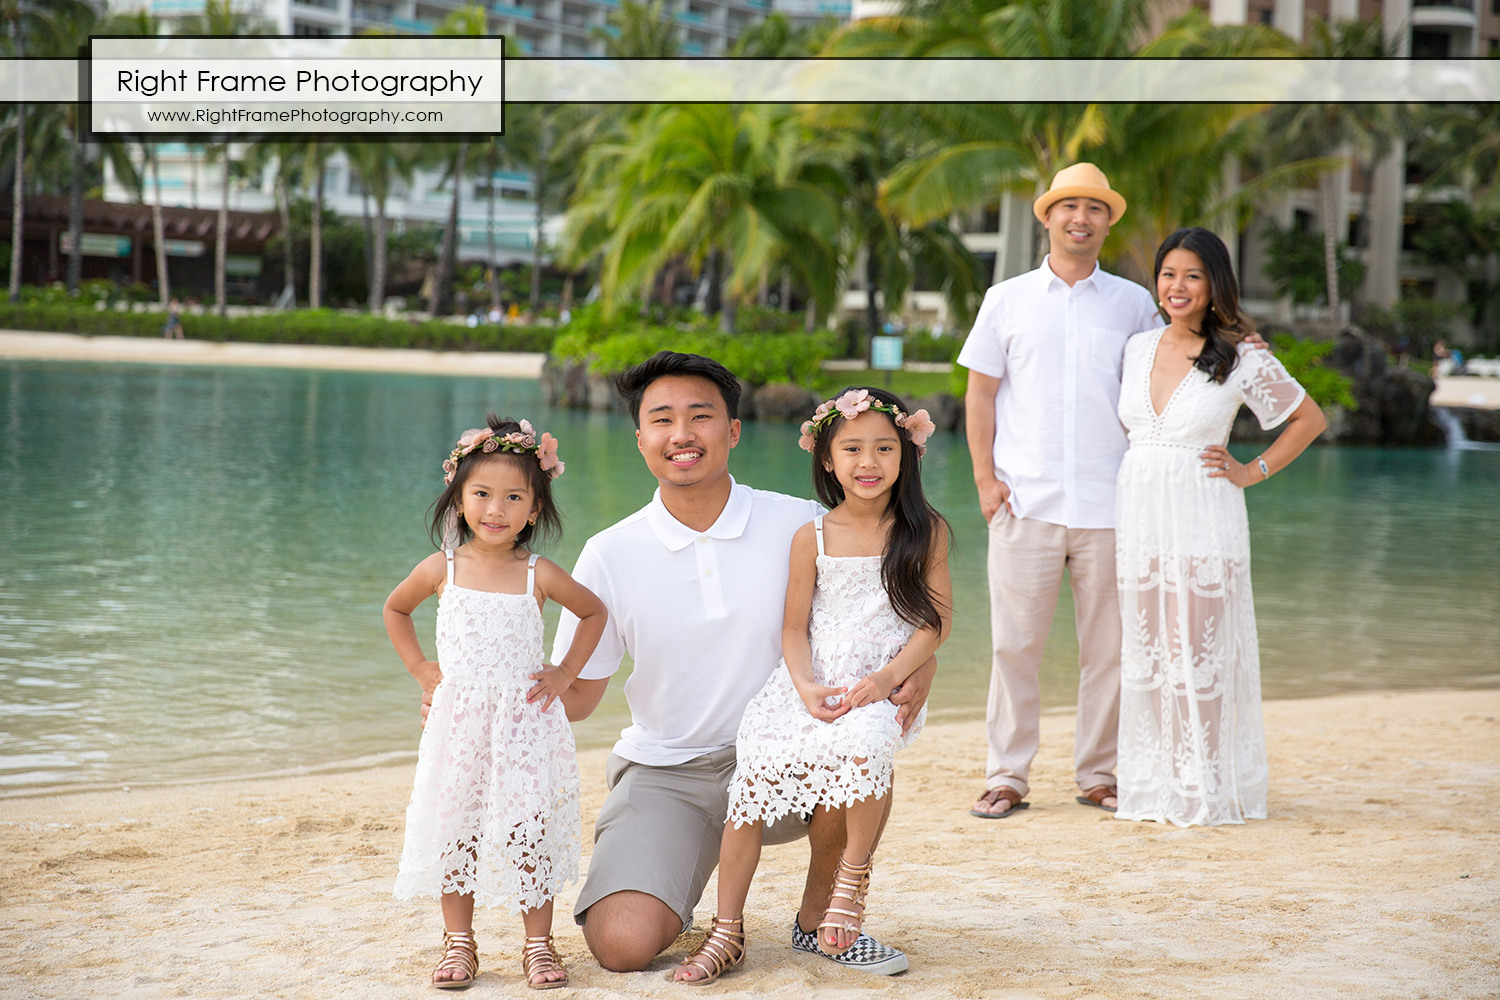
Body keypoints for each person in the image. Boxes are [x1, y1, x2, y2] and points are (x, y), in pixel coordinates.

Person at [549, 352, 933, 976]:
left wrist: (922, 667)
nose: (682, 435)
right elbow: (580, 697)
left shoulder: (804, 523)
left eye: (701, 416)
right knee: (621, 945)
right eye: (663, 419)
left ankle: (817, 921)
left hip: (793, 750)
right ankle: (684, 885)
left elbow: (892, 613)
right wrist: (484, 690)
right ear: (640, 436)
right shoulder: (608, 554)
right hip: (669, 769)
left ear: (732, 430)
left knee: (861, 738)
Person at [674, 388, 951, 984]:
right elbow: (792, 628)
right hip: (809, 681)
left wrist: (889, 677)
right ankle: (726, 930)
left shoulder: (924, 531)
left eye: (884, 448)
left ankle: (848, 885)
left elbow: (935, 622)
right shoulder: (813, 535)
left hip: (878, 681)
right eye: (851, 448)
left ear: (907, 455)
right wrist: (802, 686)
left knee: (868, 746)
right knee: (753, 776)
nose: (868, 462)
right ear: (828, 460)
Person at [958, 163, 1161, 819]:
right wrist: (986, 481)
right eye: (1069, 206)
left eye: (1094, 208)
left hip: (1114, 506)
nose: (1081, 218)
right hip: (1026, 502)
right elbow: (981, 393)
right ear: (1047, 217)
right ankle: (1007, 777)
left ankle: (1099, 774)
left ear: (1109, 221)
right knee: (1014, 647)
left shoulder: (1135, 303)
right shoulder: (1007, 298)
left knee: (1110, 652)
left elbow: (1160, 391)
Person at [384, 415, 607, 989]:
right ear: (458, 499)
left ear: (534, 509)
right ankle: (460, 944)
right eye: (482, 494)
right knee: (455, 828)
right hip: (459, 724)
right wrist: (422, 670)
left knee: (525, 831)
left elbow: (594, 613)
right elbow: (395, 609)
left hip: (524, 725)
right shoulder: (443, 567)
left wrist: (563, 673)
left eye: (514, 497)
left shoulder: (538, 572)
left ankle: (538, 945)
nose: (496, 509)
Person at [1115, 227, 1326, 827]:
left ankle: (1204, 786)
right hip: (1140, 518)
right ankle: (1154, 785)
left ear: (1214, 286)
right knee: (1149, 652)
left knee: (1198, 652)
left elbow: (1308, 419)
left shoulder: (1241, 353)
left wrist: (1251, 470)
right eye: (1168, 274)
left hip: (1205, 513)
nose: (1176, 287)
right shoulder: (1137, 347)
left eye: (1192, 276)